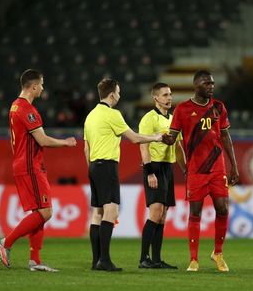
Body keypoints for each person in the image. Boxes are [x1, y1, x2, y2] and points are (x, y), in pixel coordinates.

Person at [0, 69, 77, 272]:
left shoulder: (14, 106)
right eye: (41, 84)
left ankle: (35, 261)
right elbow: (42, 140)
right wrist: (65, 143)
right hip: (30, 165)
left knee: (39, 212)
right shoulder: (26, 110)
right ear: (33, 86)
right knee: (45, 212)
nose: (42, 88)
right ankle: (6, 242)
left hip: (27, 164)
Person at [162, 70, 239, 272]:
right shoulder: (183, 109)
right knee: (195, 212)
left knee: (223, 208)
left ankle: (218, 253)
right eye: (207, 84)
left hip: (217, 167)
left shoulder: (218, 107)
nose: (211, 87)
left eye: (212, 83)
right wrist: (166, 139)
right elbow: (173, 137)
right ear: (196, 85)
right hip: (196, 170)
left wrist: (234, 166)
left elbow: (225, 137)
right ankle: (194, 259)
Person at [84, 78, 163, 272]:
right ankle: (105, 260)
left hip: (94, 165)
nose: (119, 95)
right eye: (118, 92)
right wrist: (156, 137)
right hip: (107, 166)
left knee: (98, 213)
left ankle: (96, 261)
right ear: (112, 95)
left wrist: (92, 169)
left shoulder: (91, 116)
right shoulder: (113, 114)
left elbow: (86, 148)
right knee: (111, 212)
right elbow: (135, 138)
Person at [138, 82, 186, 269]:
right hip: (154, 168)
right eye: (165, 95)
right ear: (155, 98)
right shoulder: (149, 119)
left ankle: (156, 259)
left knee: (163, 215)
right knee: (155, 213)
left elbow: (179, 148)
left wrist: (185, 170)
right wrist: (149, 172)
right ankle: (144, 258)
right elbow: (143, 146)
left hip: (167, 168)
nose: (169, 98)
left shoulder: (174, 119)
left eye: (170, 94)